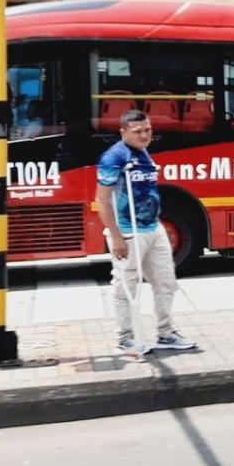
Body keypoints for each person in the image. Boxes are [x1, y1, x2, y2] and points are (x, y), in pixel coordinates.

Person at [94, 110, 197, 356]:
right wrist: (116, 236)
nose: (144, 135)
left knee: (166, 282)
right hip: (129, 233)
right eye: (137, 131)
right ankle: (126, 338)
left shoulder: (143, 153)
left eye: (147, 130)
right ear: (123, 132)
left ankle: (165, 332)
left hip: (154, 228)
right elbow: (102, 199)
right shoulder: (114, 157)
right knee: (125, 288)